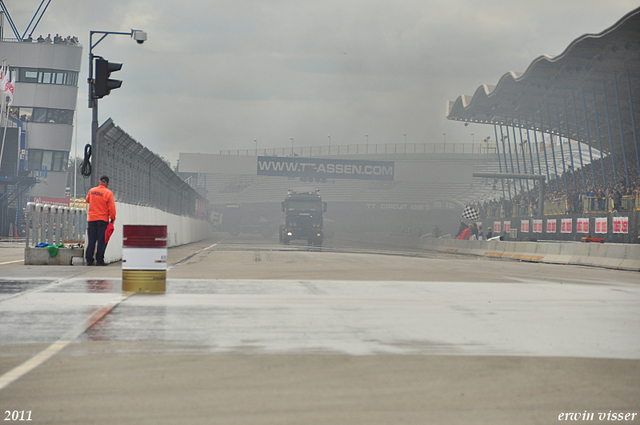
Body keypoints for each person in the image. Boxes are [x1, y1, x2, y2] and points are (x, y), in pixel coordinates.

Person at [85, 176, 116, 266]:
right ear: (107, 183)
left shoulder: (92, 191)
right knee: (101, 241)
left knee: (92, 240)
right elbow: (111, 208)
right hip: (103, 220)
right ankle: (99, 260)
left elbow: (87, 200)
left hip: (91, 219)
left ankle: (89, 260)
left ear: (99, 182)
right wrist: (113, 218)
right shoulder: (108, 193)